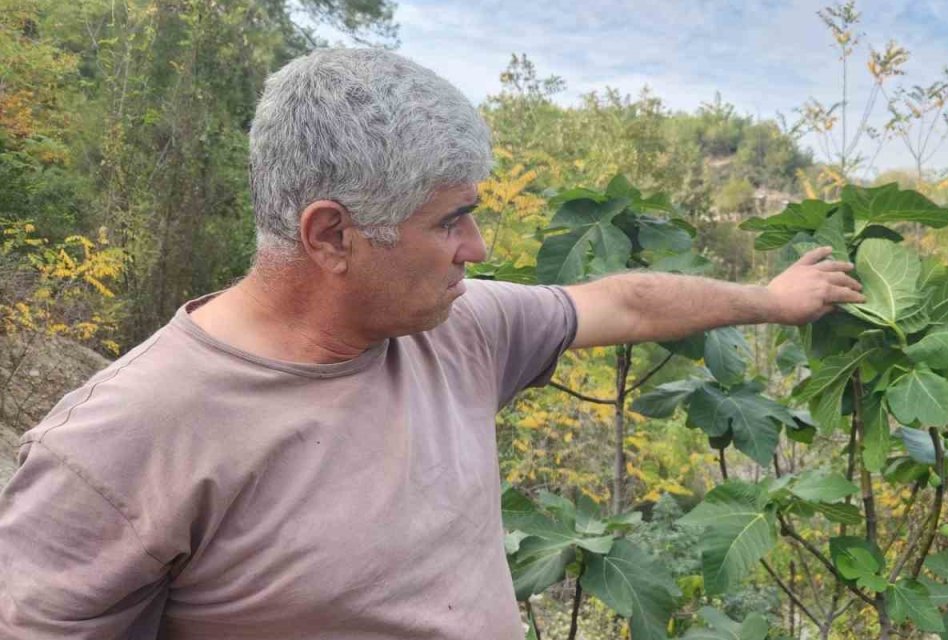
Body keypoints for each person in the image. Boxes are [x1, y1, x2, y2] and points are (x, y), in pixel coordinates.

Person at [0, 48, 863, 639]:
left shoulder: (458, 329)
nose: (479, 250)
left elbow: (625, 302)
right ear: (331, 236)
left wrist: (775, 299)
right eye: (452, 220)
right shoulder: (126, 439)